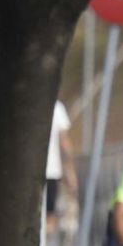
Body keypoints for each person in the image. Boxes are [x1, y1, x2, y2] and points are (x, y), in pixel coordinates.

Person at [45, 100, 76, 238]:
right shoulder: (56, 107)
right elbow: (64, 143)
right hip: (51, 171)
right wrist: (70, 172)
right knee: (49, 216)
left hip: (44, 171)